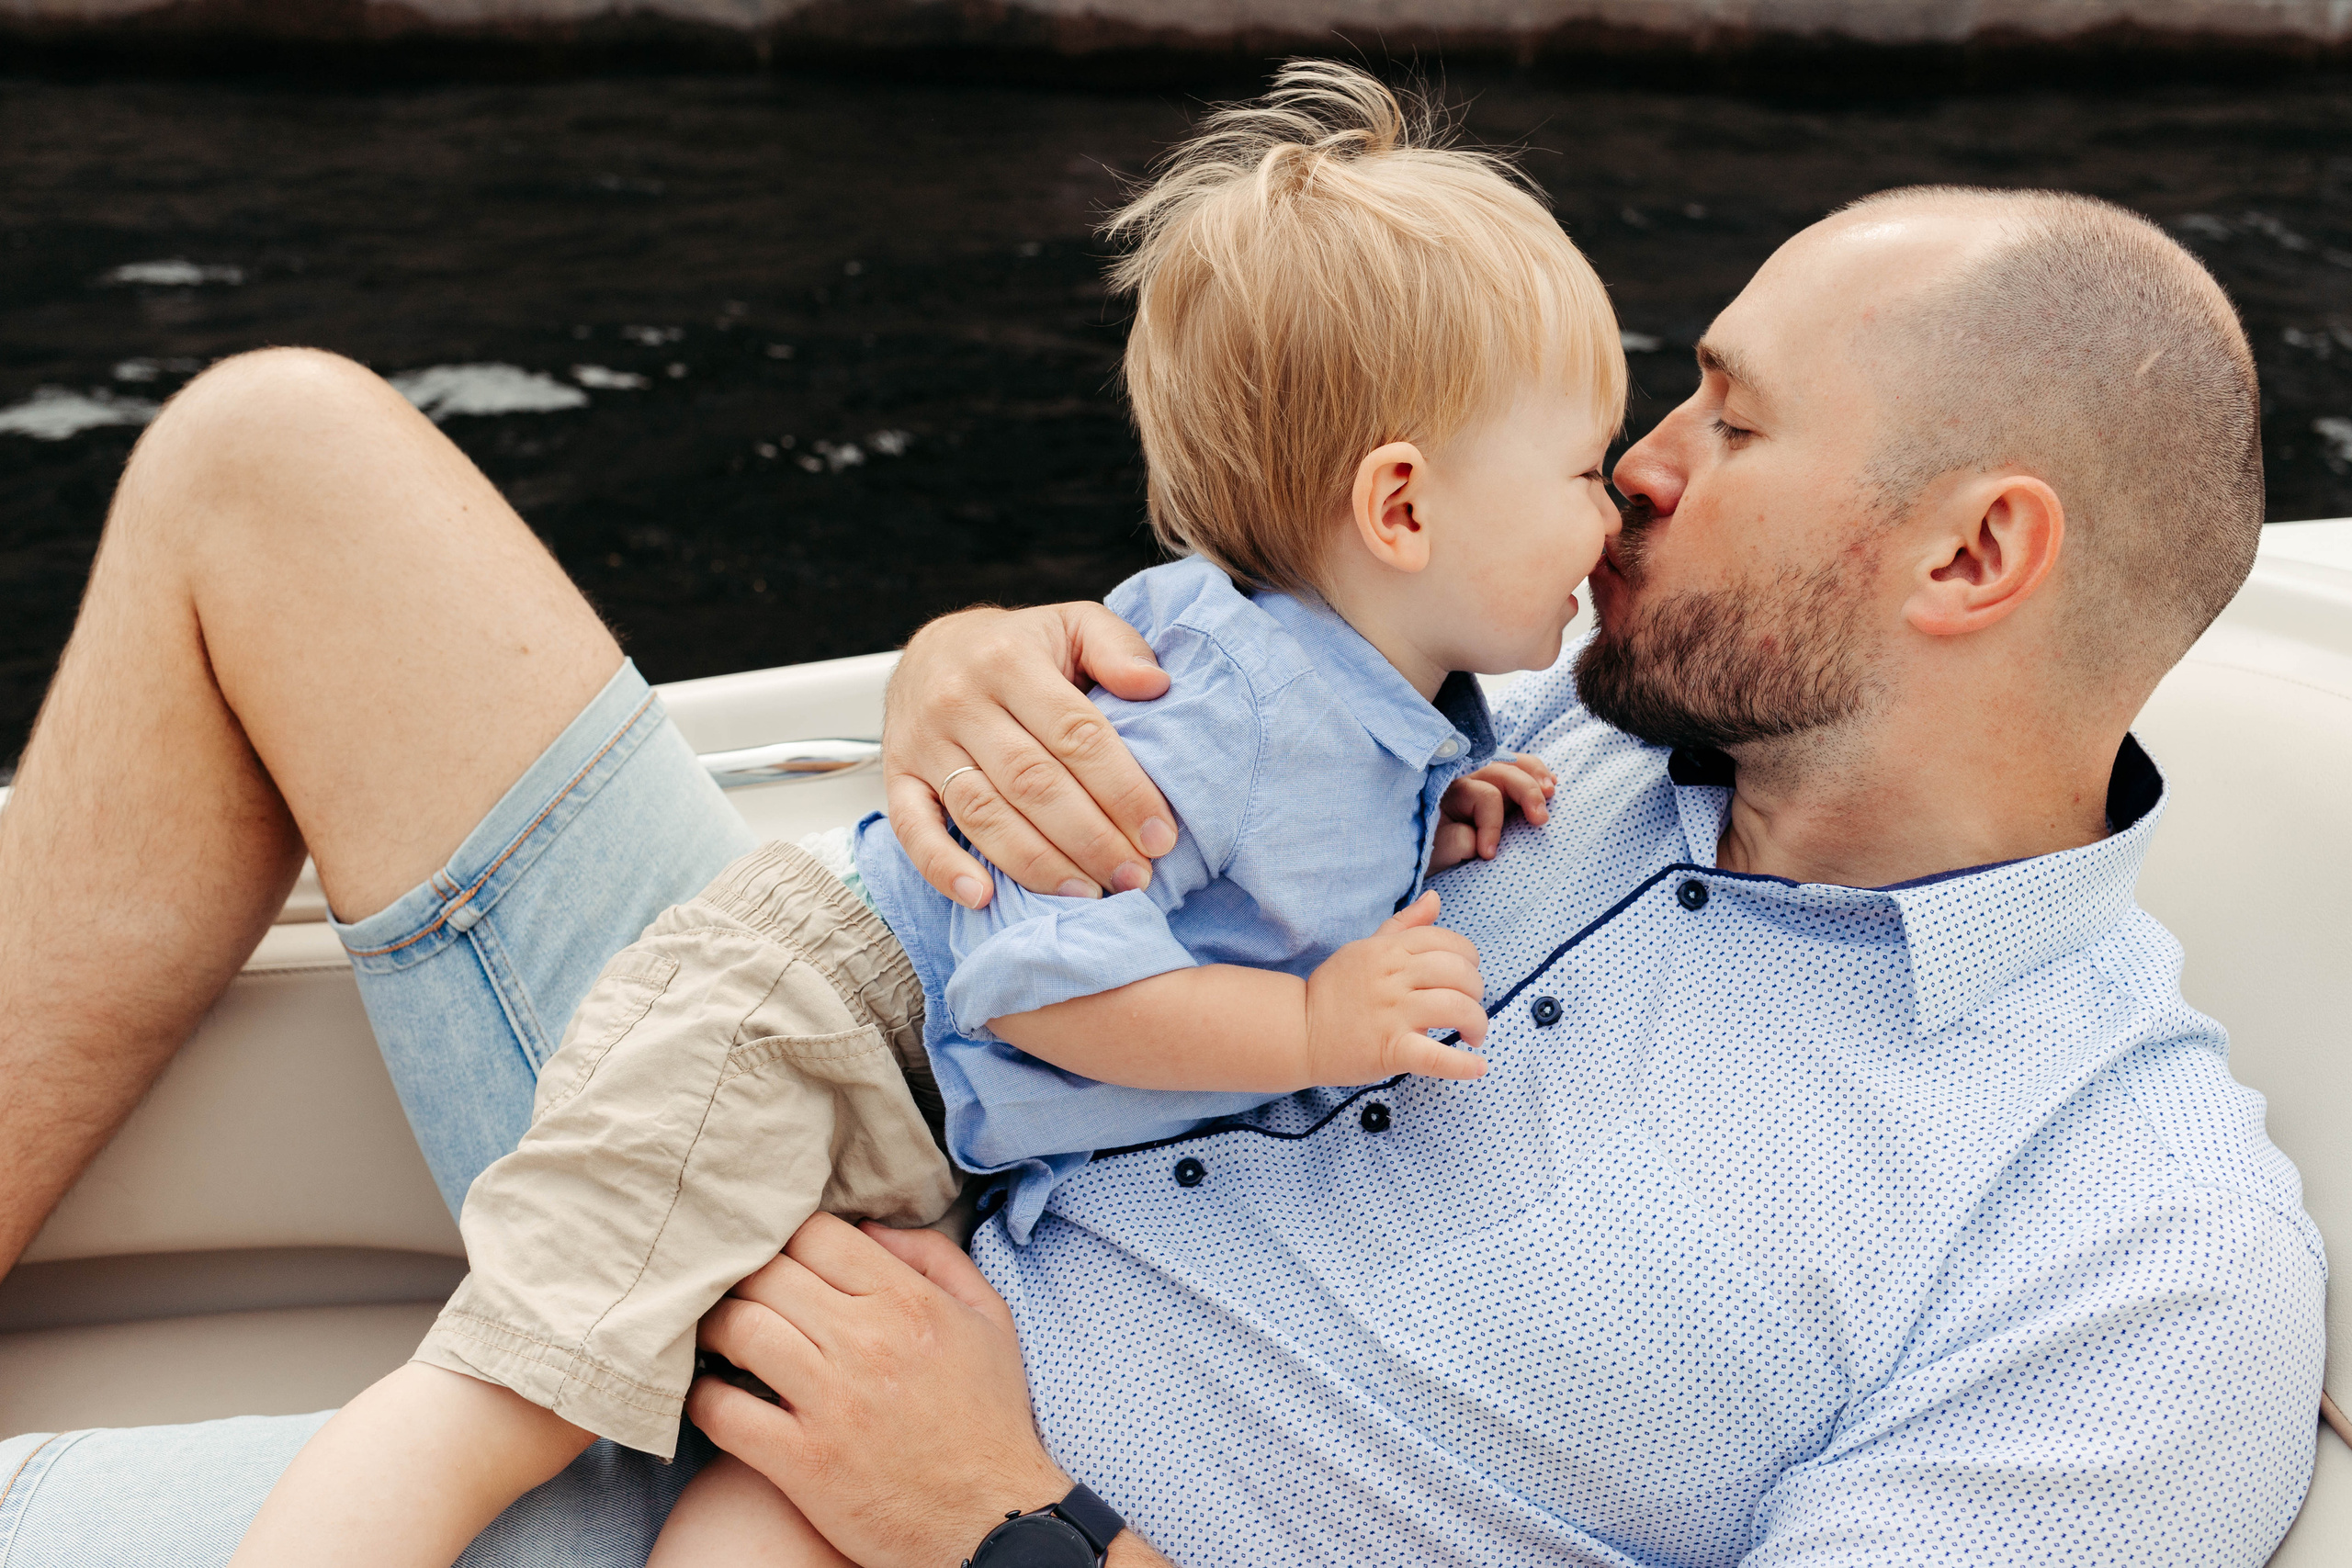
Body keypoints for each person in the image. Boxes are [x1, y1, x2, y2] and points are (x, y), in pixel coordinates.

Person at [0, 169, 2324, 1566]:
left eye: (1725, 417)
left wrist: (1014, 1527)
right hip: (859, 1117)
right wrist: (970, 669)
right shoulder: (1554, 704)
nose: (1629, 464)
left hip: (867, 1505)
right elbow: (1199, 670)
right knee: (273, 459)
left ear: (1971, 554)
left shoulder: (2124, 1245)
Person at [223, 64, 1613, 1568]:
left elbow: (1268, 860)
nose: (1616, 515)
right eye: (1587, 473)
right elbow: (1048, 989)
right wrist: (1315, 1028)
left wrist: (1441, 803)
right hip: (805, 1032)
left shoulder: (1374, 712)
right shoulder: (1223, 703)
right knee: (509, 1394)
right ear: (1401, 509)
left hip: (906, 1108)